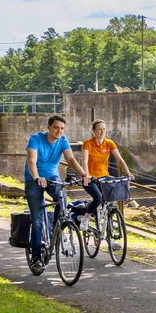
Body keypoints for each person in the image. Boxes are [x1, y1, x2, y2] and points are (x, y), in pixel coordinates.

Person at [25, 115, 89, 272]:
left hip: (52, 177)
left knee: (62, 200)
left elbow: (71, 159)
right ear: (48, 127)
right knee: (38, 219)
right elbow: (31, 161)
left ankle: (56, 228)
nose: (59, 131)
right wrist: (36, 177)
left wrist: (83, 175)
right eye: (56, 128)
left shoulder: (63, 140)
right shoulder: (36, 139)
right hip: (34, 179)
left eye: (62, 128)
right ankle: (36, 259)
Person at [78, 120, 133, 219]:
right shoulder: (88, 144)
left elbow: (120, 160)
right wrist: (86, 176)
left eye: (104, 129)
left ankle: (104, 223)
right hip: (90, 178)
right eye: (99, 129)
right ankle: (86, 218)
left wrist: (128, 173)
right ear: (93, 131)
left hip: (104, 177)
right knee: (98, 198)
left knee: (109, 199)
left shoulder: (109, 143)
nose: (102, 131)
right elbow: (84, 161)